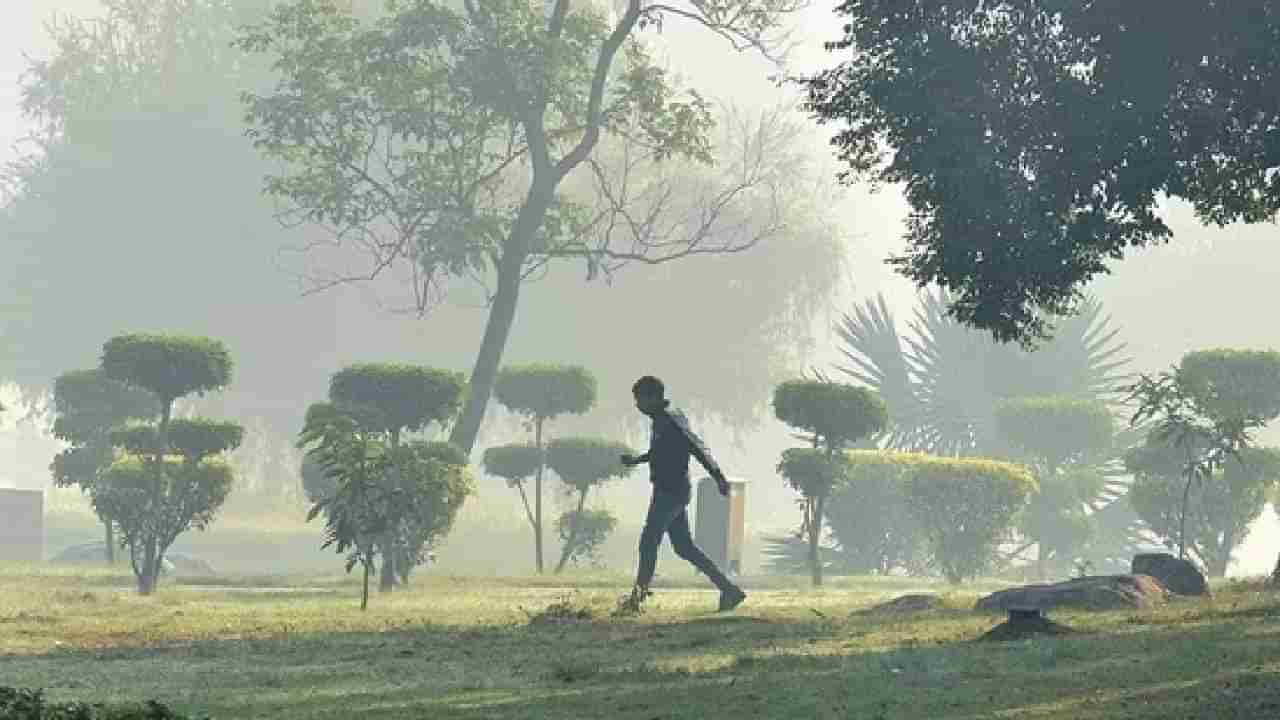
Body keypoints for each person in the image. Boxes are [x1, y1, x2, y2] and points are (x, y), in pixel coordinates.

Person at [617, 375, 746, 614]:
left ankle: (636, 600)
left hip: (671, 492)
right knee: (685, 548)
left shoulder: (670, 420)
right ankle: (729, 590)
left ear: (654, 397)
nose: (637, 405)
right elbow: (660, 452)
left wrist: (718, 477)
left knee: (649, 541)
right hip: (670, 490)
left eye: (640, 399)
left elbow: (697, 447)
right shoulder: (661, 420)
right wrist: (637, 459)